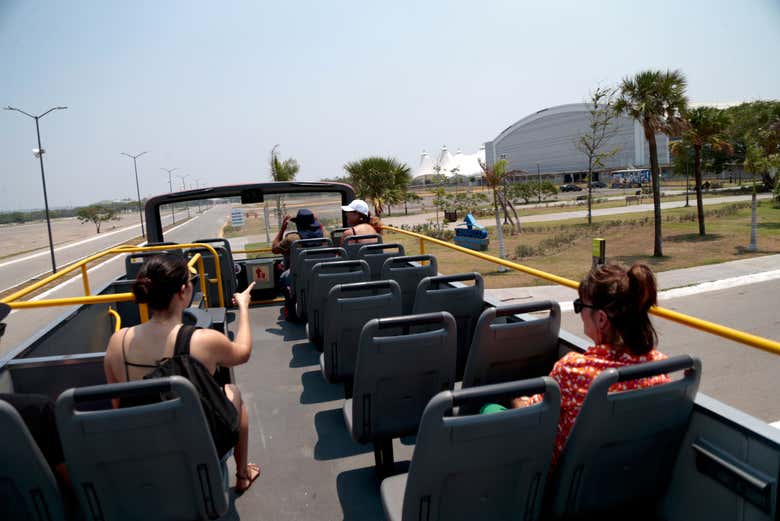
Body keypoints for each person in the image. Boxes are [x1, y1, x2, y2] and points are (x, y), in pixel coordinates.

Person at [103, 254, 261, 493]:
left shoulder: (117, 342)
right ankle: (242, 475)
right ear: (183, 291)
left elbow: (118, 405)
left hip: (145, 450)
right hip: (196, 449)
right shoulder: (202, 340)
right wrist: (244, 307)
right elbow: (243, 352)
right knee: (233, 393)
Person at [508, 263, 671, 466]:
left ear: (601, 319)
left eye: (580, 306)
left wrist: (516, 400)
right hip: (628, 477)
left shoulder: (573, 370)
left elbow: (531, 414)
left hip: (563, 484)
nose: (580, 314)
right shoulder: (661, 370)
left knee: (490, 409)